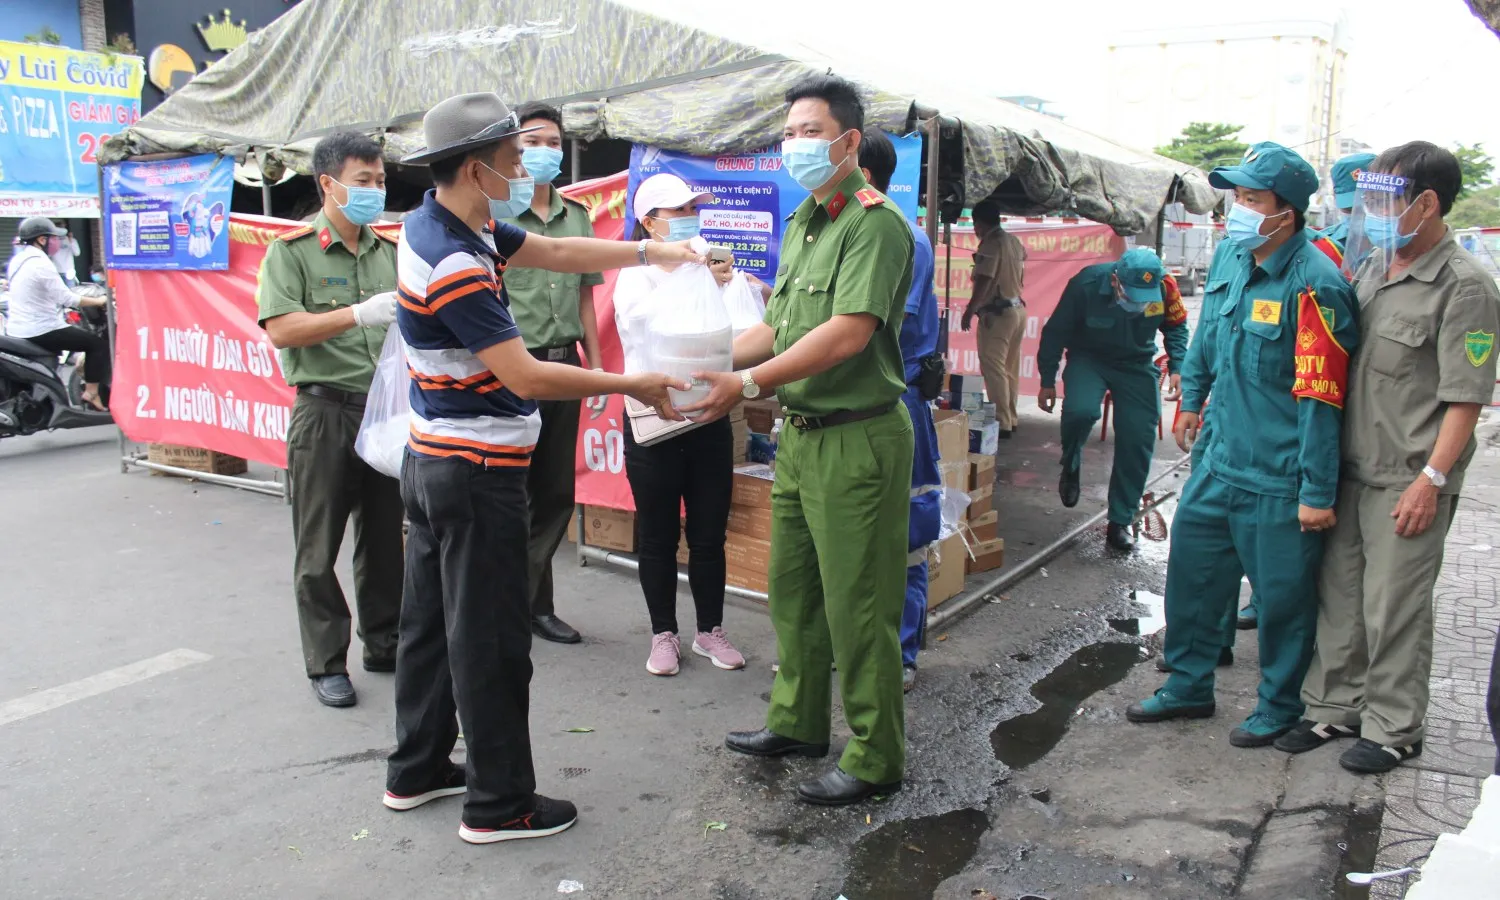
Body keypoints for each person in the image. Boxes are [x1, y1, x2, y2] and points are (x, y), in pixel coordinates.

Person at [385, 92, 697, 844]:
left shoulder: (448, 223)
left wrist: (653, 251)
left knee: (429, 624)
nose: (525, 168)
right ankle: (500, 805)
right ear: (473, 166)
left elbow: (556, 252)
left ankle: (418, 767)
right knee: (490, 637)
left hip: (433, 458)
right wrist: (632, 383)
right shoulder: (454, 258)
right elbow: (524, 377)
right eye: (513, 157)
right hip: (474, 470)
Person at [686, 74, 915, 806]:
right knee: (794, 593)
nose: (794, 145)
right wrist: (713, 359)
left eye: (809, 132)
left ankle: (876, 758)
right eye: (789, 133)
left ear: (849, 143)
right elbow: (778, 328)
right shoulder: (805, 221)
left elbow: (847, 334)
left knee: (859, 604)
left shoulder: (875, 225)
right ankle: (799, 722)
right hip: (803, 439)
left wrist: (747, 387)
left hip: (858, 439)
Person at [1125, 141, 1359, 748]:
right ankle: (1188, 684)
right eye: (1237, 198)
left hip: (1279, 477)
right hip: (1218, 459)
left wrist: (1316, 491)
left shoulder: (1317, 284)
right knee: (1194, 577)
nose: (1238, 210)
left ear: (1288, 211)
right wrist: (1192, 402)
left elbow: (1321, 399)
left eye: (1253, 199)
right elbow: (1206, 341)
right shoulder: (1232, 255)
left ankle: (1279, 704)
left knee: (1281, 601)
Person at [1284, 142, 1500, 774]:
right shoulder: (1376, 267)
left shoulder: (1463, 288)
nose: (1372, 211)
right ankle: (1333, 705)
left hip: (1408, 476)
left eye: (1384, 199)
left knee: (1394, 605)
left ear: (1426, 203)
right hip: (1352, 468)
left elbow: (1466, 398)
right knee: (1342, 595)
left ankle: (1395, 726)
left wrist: (1432, 479)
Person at [257, 132, 404, 709]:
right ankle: (325, 661)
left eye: (380, 180)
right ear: (328, 184)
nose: (375, 190)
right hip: (323, 410)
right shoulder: (291, 252)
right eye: (363, 181)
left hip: (382, 411)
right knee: (318, 546)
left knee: (385, 538)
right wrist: (356, 314)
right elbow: (282, 329)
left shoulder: (389, 252)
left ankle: (384, 640)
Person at [612, 173, 746, 677]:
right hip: (655, 418)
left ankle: (710, 630)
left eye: (693, 206)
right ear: (649, 222)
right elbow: (641, 325)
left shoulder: (706, 264)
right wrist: (682, 272)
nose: (689, 215)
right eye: (677, 209)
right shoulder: (634, 272)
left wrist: (721, 280)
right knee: (658, 536)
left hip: (709, 411)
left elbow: (732, 330)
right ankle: (662, 633)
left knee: (710, 534)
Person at [500, 102, 605, 646]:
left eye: (552, 143)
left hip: (566, 364)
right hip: (513, 372)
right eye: (531, 142)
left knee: (557, 493)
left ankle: (532, 604)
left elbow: (587, 298)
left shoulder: (577, 217)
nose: (543, 152)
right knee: (510, 494)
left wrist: (600, 363)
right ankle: (514, 602)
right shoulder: (496, 218)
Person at [857, 129, 942, 693]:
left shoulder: (902, 239)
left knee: (905, 533)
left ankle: (902, 653)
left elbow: (874, 329)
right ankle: (859, 647)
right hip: (856, 405)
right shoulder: (847, 235)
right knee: (856, 533)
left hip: (897, 398)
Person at [1036, 248, 1189, 552]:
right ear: (1116, 279)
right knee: (1080, 411)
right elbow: (1055, 332)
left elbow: (1176, 327)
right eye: (1131, 293)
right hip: (1089, 358)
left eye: (1143, 295)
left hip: (1136, 364)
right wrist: (1046, 380)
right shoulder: (1087, 284)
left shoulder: (1166, 286)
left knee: (1138, 435)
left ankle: (1121, 519)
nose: (1137, 301)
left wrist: (1178, 367)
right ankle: (1071, 462)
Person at [5, 217, 109, 409]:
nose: (57, 243)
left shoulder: (18, 260)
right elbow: (68, 299)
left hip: (17, 328)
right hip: (41, 329)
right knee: (97, 345)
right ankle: (91, 393)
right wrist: (100, 300)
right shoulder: (40, 263)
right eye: (54, 238)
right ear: (41, 240)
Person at [962, 200, 1028, 439]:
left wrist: (971, 309)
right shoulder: (1013, 241)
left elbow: (985, 279)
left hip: (997, 313)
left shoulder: (991, 244)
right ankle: (1011, 416)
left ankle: (1002, 421)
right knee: (1010, 367)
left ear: (979, 223)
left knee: (994, 366)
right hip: (1017, 309)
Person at [1321, 152, 1377, 251]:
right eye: (1349, 209)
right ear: (1334, 196)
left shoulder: (1401, 246)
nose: (1358, 214)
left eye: (1369, 205)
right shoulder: (1323, 245)